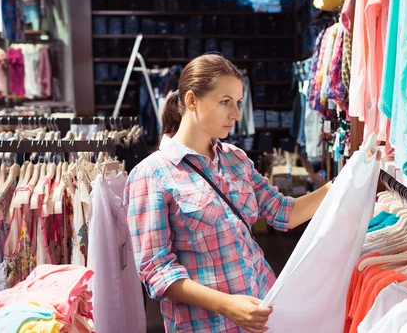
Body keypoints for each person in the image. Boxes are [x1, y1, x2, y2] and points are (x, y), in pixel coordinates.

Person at [125, 54, 379, 333]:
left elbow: (284, 212)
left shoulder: (235, 159)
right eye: (225, 102)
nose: (235, 114)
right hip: (207, 325)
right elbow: (157, 271)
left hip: (264, 311)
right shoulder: (151, 175)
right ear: (191, 101)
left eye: (238, 103)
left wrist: (349, 176)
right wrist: (227, 305)